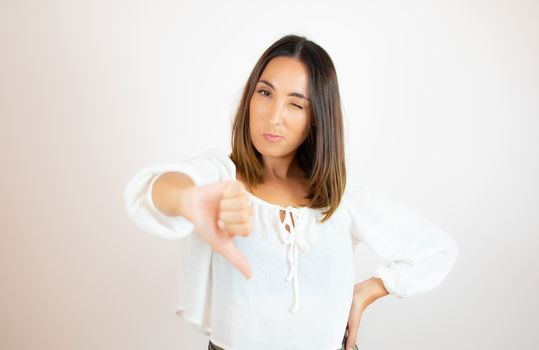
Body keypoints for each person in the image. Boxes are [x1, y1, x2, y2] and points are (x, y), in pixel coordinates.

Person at [123, 34, 459, 350]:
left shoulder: (340, 198)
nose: (274, 118)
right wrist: (187, 200)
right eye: (265, 93)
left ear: (316, 118)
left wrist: (367, 292)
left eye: (296, 104)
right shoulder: (221, 176)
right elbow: (157, 190)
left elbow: (437, 249)